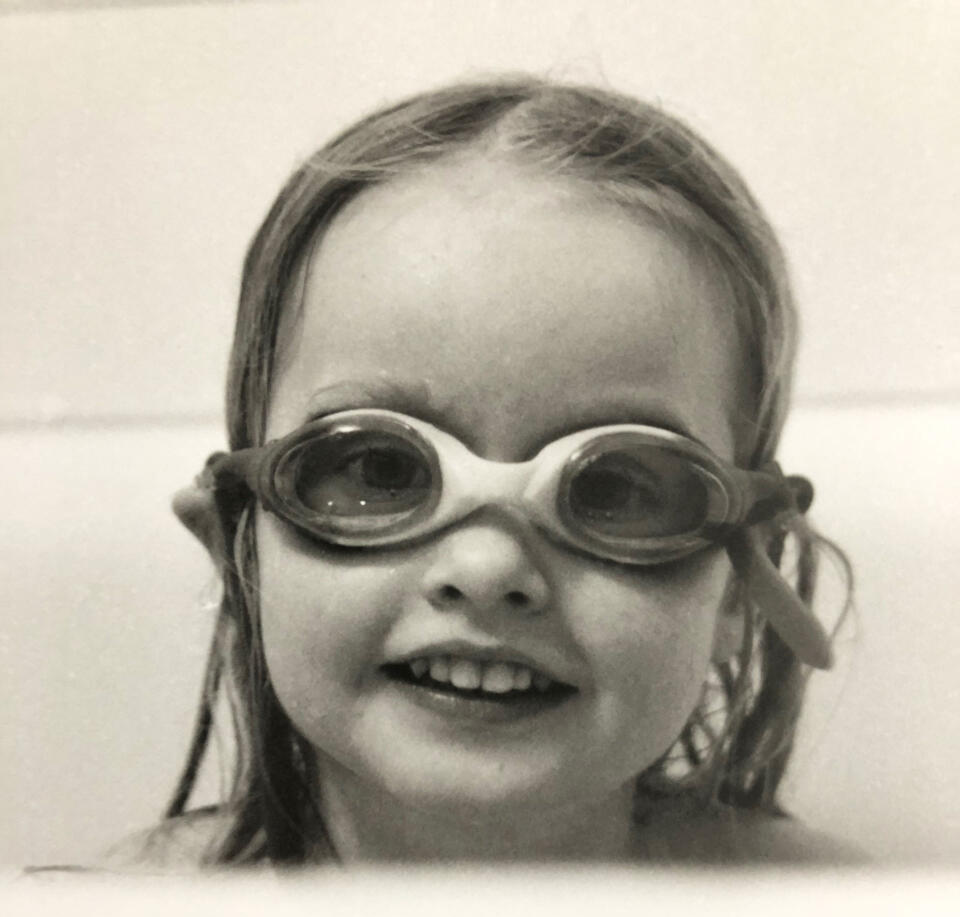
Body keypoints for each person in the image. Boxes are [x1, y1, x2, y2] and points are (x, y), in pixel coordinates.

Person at [115, 75, 860, 871]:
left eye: (615, 488)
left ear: (742, 591)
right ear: (238, 549)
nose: (487, 569)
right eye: (379, 469)